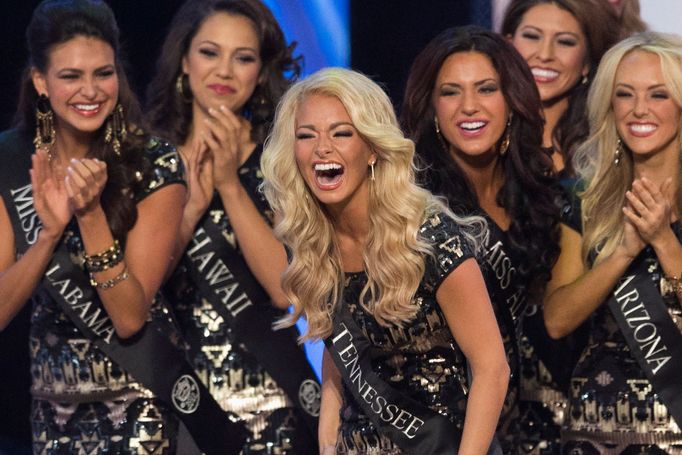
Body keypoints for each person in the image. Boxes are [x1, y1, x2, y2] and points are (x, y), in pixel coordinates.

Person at [261, 67, 509, 455]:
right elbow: (341, 353)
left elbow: (492, 369)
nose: (322, 148)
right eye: (306, 136)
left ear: (373, 148)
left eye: (341, 133)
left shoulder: (430, 238)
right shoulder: (310, 240)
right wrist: (328, 443)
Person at [0, 0, 197, 452]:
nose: (90, 90)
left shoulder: (156, 163)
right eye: (70, 76)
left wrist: (89, 216)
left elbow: (128, 318)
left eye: (103, 73)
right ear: (40, 83)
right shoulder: (11, 162)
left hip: (141, 409)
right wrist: (48, 235)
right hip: (52, 415)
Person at [146, 0, 319, 453]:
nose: (224, 70)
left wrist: (231, 187)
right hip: (177, 410)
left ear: (261, 71)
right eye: (209, 52)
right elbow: (134, 293)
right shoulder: (148, 159)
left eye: (243, 57)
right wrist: (189, 209)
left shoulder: (282, 162)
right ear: (184, 60)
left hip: (275, 408)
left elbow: (289, 291)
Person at [401, 25, 561, 453]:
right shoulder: (412, 203)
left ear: (512, 101)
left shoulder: (536, 197)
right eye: (450, 92)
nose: (468, 106)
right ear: (432, 108)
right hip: (439, 427)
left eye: (486, 89)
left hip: (524, 426)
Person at [544, 31, 682, 454]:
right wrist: (622, 250)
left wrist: (662, 239)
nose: (640, 109)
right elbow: (556, 320)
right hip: (593, 431)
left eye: (658, 95)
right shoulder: (581, 202)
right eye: (625, 94)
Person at [502, 0, 619, 177]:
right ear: (508, 44)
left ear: (586, 61)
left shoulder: (609, 143)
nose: (545, 55)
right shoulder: (486, 136)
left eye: (565, 42)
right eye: (532, 37)